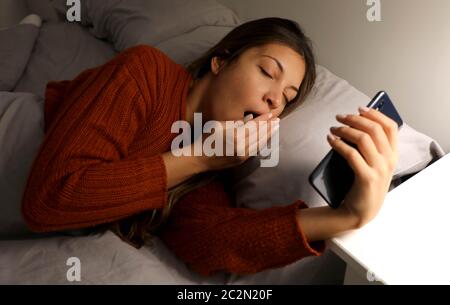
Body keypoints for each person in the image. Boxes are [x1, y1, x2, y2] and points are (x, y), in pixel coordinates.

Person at [21, 18, 398, 277]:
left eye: (287, 98)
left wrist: (349, 216)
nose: (273, 101)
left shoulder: (209, 170)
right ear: (220, 62)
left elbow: (213, 242)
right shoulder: (145, 72)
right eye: (267, 72)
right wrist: (197, 157)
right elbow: (51, 198)